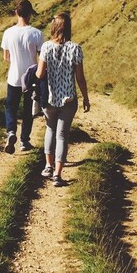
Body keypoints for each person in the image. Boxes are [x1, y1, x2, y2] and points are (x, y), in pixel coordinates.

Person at [37, 11, 89, 186]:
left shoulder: (46, 47)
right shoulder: (75, 48)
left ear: (54, 27)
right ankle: (57, 175)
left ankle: (48, 166)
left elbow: (39, 74)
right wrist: (86, 98)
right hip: (68, 98)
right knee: (62, 135)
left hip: (49, 97)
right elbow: (80, 78)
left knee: (50, 129)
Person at [0, 0, 43, 153]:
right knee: (28, 110)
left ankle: (11, 131)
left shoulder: (8, 33)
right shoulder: (37, 33)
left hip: (14, 76)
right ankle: (24, 141)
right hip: (31, 77)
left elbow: (6, 57)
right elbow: (42, 58)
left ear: (16, 12)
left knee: (11, 107)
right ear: (30, 14)